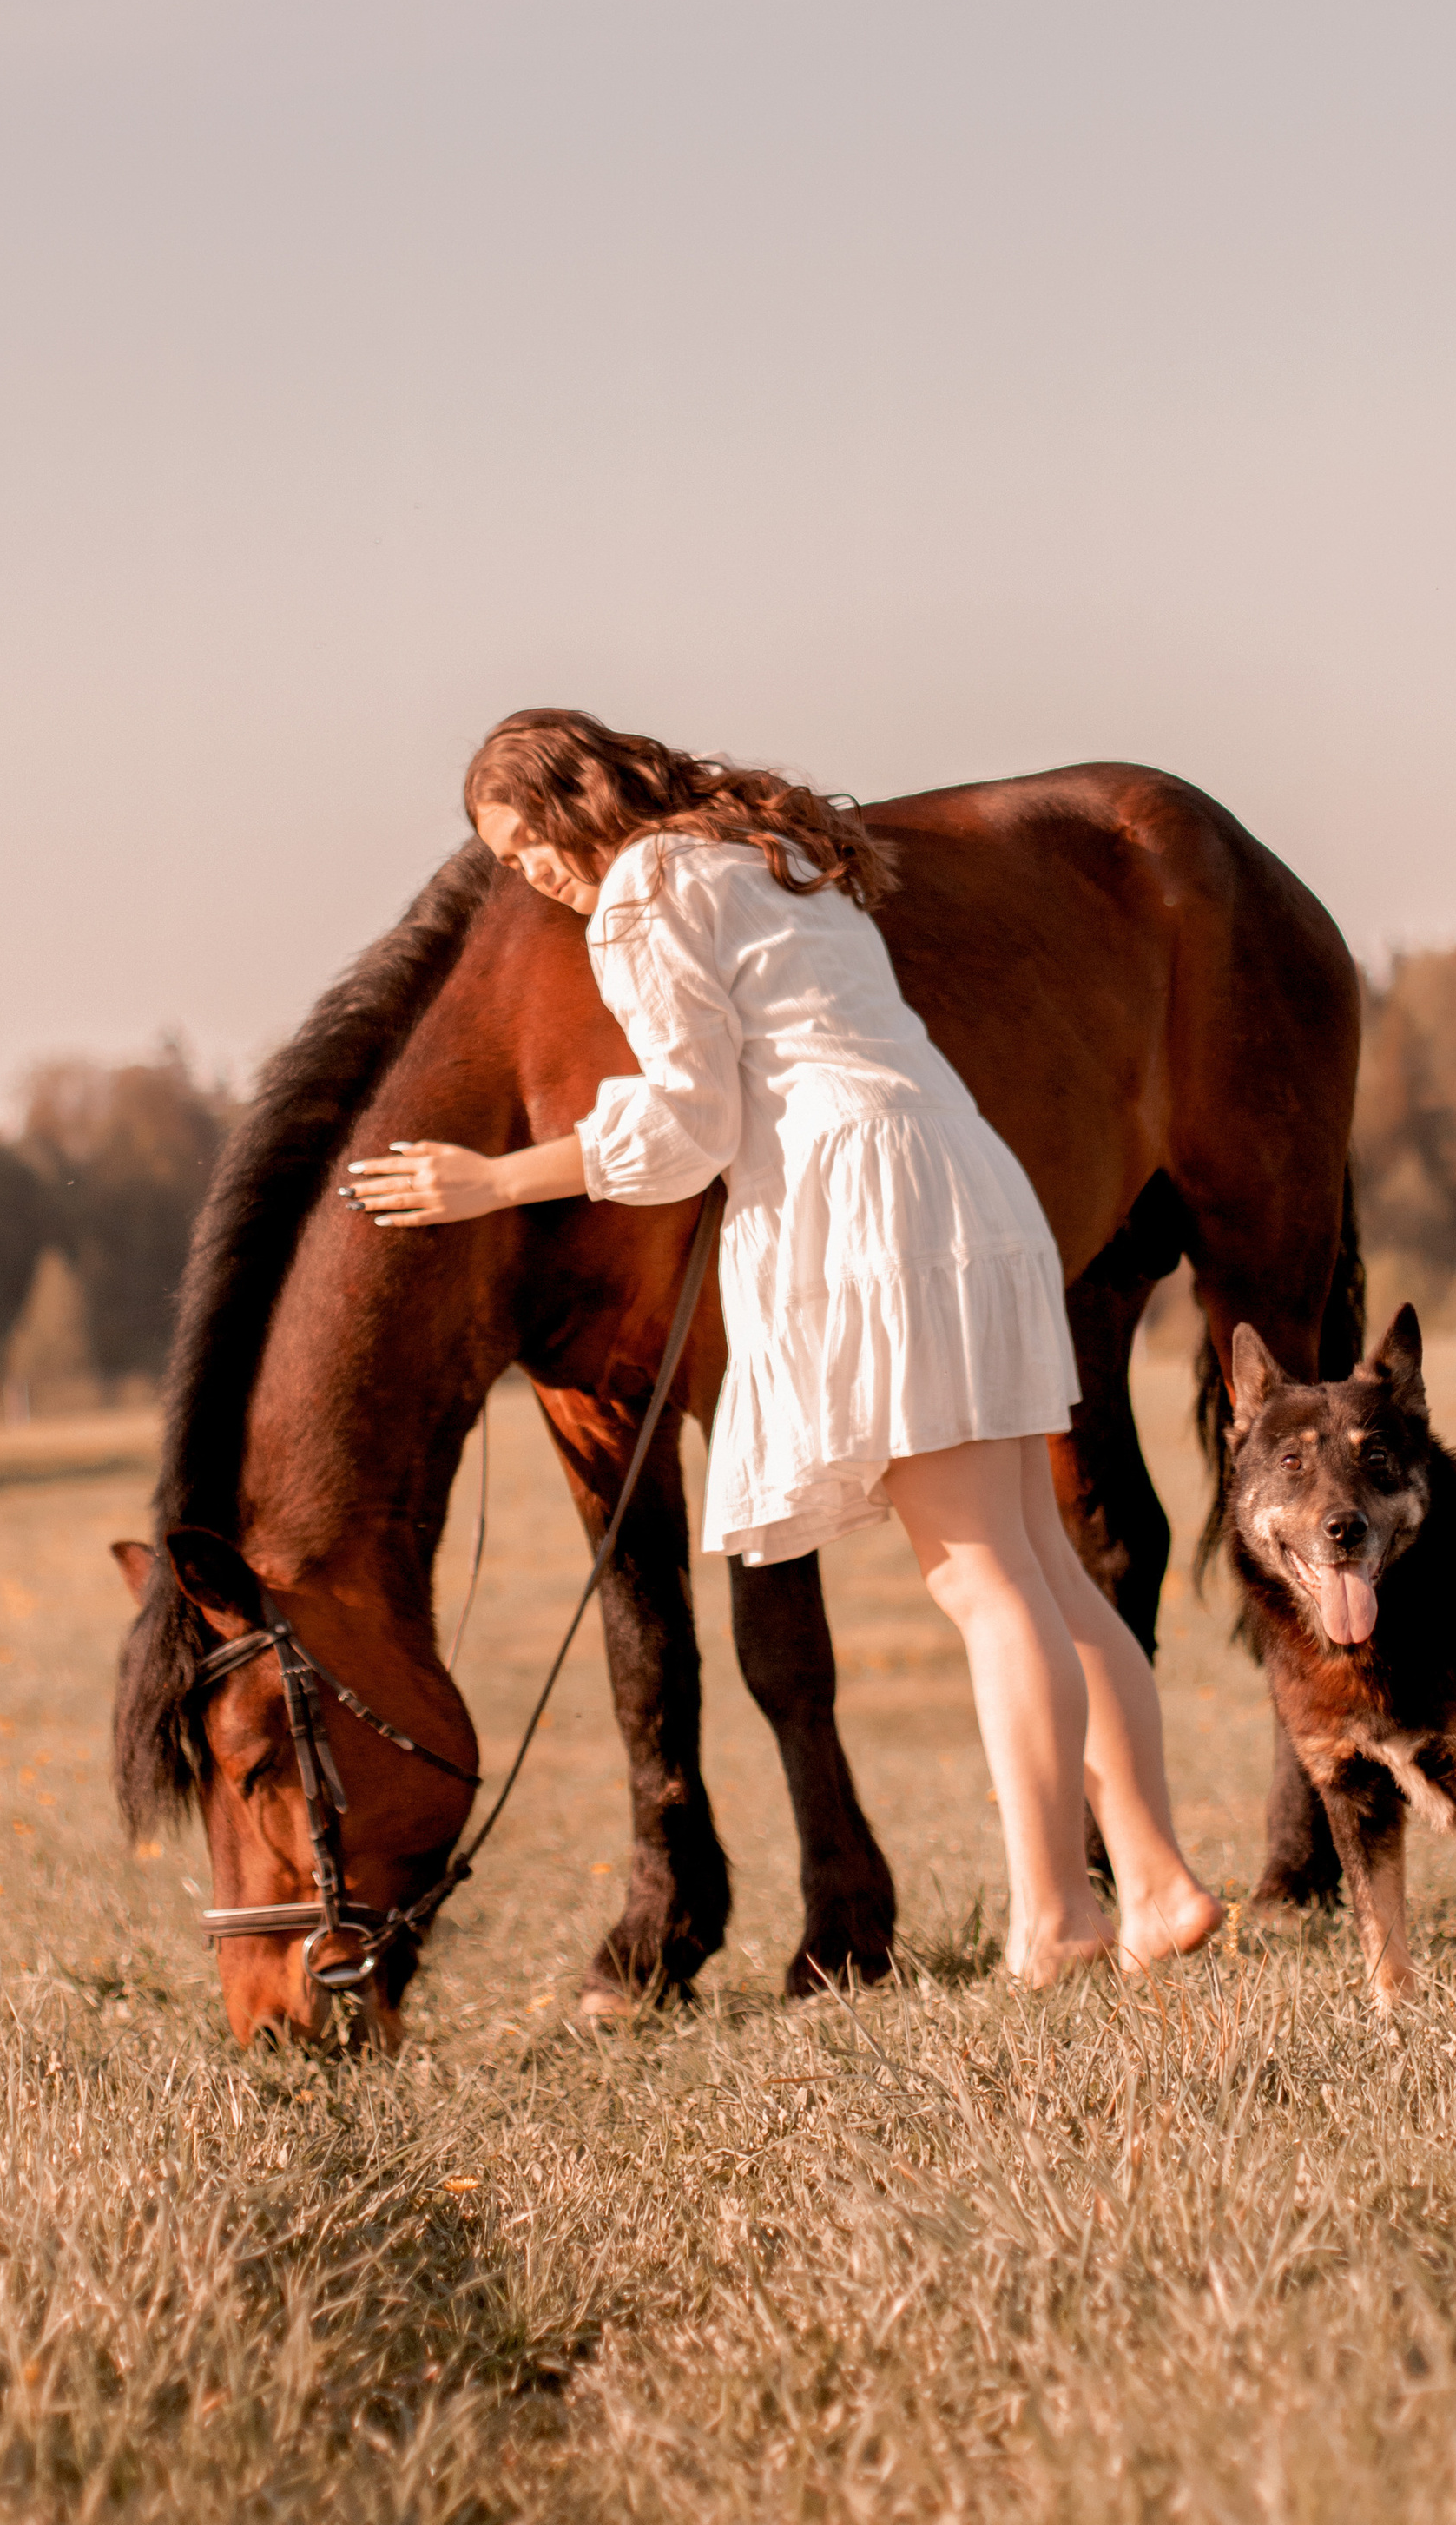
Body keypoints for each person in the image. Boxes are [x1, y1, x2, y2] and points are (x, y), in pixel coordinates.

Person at [346, 708, 1218, 1986]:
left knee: (984, 1582)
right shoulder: (761, 852)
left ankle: (1059, 1916)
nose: (529, 870)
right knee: (1043, 1568)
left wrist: (497, 1181)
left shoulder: (642, 888)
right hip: (959, 1172)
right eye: (506, 854)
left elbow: (691, 1125)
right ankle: (1153, 1881)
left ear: (581, 797)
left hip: (862, 1203)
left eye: (529, 838)